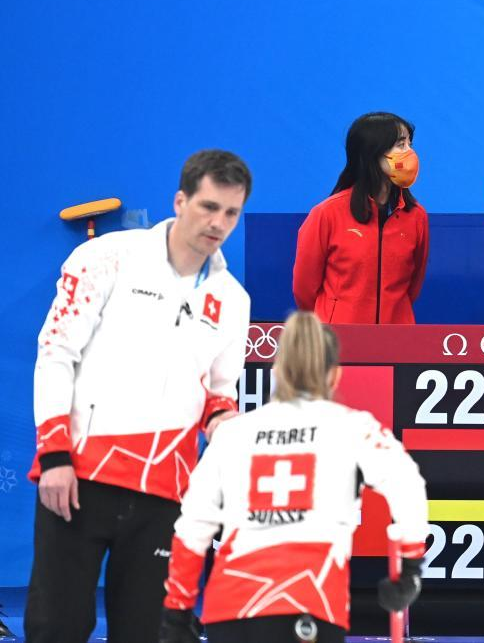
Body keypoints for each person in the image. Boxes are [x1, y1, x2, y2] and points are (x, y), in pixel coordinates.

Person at [26, 149, 253, 643]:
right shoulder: (105, 258)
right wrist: (55, 454)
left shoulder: (233, 301)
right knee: (56, 628)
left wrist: (229, 432)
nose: (218, 223)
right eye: (208, 207)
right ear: (180, 200)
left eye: (231, 212)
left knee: (146, 633)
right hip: (80, 477)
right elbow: (56, 353)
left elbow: (219, 395)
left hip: (166, 494)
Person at [158, 311, 428, 643]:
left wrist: (177, 613)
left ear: (277, 373)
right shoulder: (352, 427)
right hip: (310, 604)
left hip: (231, 610)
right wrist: (411, 572)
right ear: (335, 376)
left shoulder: (234, 433)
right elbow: (408, 485)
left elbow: (192, 526)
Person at [293, 112, 429, 324]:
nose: (410, 153)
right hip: (338, 345)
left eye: (410, 144)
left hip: (396, 342)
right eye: (401, 145)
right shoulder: (327, 214)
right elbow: (304, 289)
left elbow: (414, 284)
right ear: (371, 152)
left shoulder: (416, 216)